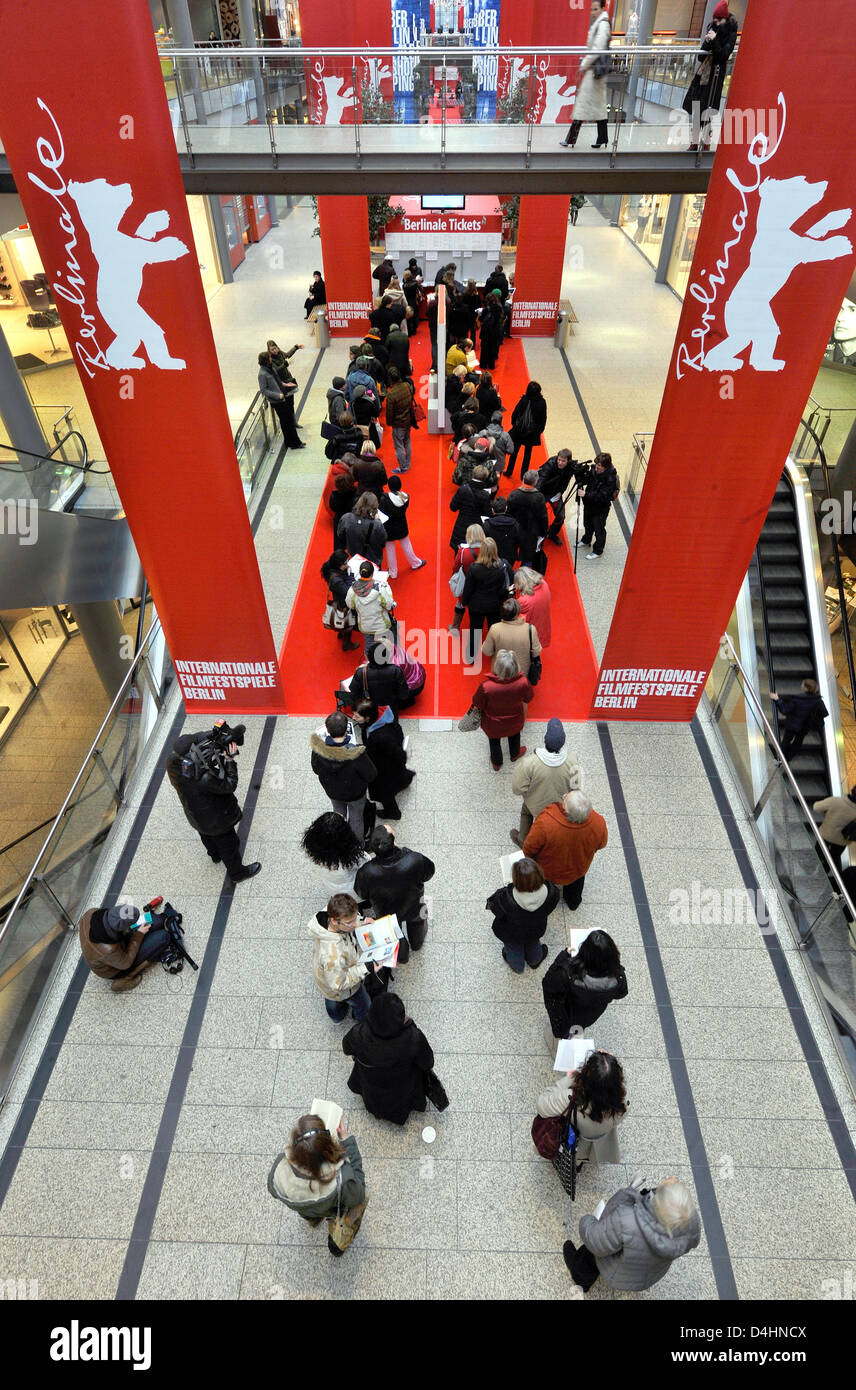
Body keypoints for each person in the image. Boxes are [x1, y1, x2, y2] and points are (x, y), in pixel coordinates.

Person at [564, 1176, 700, 1292]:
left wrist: (587, 1220)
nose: (670, 1179)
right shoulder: (692, 1221)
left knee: (589, 1254)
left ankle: (581, 1279)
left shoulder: (627, 1220)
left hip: (616, 1271)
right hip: (646, 1276)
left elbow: (595, 1240)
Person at [166, 722, 261, 885]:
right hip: (217, 820)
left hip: (196, 815)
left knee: (206, 837)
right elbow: (229, 785)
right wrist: (229, 760)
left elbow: (197, 738)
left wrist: (217, 734)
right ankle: (237, 873)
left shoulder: (173, 763)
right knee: (230, 846)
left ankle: (215, 855)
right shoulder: (203, 777)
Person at [268, 1113, 367, 1257]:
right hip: (332, 1206)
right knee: (362, 1200)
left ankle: (313, 1219)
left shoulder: (278, 1170)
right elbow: (358, 1195)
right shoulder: (343, 1179)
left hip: (306, 1207)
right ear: (327, 1148)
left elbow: (272, 1191)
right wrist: (347, 1142)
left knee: (310, 1210)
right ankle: (336, 1245)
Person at [343, 992, 435, 1125]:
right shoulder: (413, 1038)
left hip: (371, 1083)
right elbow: (427, 1062)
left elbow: (347, 1048)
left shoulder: (360, 1033)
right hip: (402, 1086)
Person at [355, 824, 435, 959]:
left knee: (394, 934)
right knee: (417, 923)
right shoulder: (414, 859)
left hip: (386, 912)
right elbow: (429, 873)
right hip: (415, 905)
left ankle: (402, 955)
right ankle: (417, 943)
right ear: (393, 842)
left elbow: (362, 894)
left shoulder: (366, 872)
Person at [536, 1049, 626, 1166]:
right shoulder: (624, 1102)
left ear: (585, 1078)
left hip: (575, 1141)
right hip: (601, 1140)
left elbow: (542, 1106)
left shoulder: (570, 1100)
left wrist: (570, 1078)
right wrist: (607, 1067)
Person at [524, 789, 608, 910]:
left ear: (566, 811)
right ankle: (573, 903)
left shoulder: (546, 822)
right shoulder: (599, 822)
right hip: (578, 868)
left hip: (548, 870)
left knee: (545, 888)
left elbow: (530, 846)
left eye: (564, 799)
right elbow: (602, 844)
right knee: (576, 884)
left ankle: (545, 903)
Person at [542, 928, 627, 1041]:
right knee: (579, 1026)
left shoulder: (567, 972)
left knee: (564, 1032)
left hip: (568, 1011)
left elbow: (548, 983)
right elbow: (621, 993)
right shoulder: (618, 976)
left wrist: (563, 957)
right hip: (591, 1015)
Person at [510, 718, 581, 847]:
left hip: (535, 805)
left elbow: (517, 789)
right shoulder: (573, 760)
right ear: (563, 742)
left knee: (526, 813)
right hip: (560, 808)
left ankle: (523, 840)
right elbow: (576, 788)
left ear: (544, 740)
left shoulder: (529, 763)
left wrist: (528, 792)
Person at [78, 900, 173, 993]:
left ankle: (138, 933)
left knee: (158, 920)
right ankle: (124, 981)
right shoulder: (109, 950)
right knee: (163, 937)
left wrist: (136, 928)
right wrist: (139, 934)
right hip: (116, 967)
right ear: (122, 930)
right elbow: (126, 962)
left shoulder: (92, 912)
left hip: (118, 942)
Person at [310, 712, 377, 841]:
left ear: (328, 730)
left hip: (333, 792)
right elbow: (371, 774)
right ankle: (356, 849)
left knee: (338, 815)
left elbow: (316, 769)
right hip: (355, 794)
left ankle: (338, 843)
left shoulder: (318, 751)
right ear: (346, 729)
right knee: (356, 819)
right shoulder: (356, 753)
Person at [486, 856, 559, 973]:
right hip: (536, 928)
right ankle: (535, 961)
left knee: (513, 949)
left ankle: (518, 968)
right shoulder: (552, 891)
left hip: (512, 933)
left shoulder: (506, 897)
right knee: (534, 943)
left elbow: (494, 907)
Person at [682, 1, 738, 151]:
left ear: (725, 19)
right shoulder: (712, 27)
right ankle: (694, 141)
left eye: (719, 20)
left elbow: (723, 56)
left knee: (706, 110)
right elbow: (701, 57)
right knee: (695, 107)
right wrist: (707, 42)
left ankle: (705, 141)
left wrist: (714, 40)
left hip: (715, 77)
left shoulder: (731, 32)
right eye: (715, 20)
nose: (717, 23)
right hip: (703, 75)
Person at [560, 0, 612, 150]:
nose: (592, 12)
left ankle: (570, 139)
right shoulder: (602, 22)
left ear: (603, 8)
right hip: (596, 72)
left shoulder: (602, 24)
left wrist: (584, 64)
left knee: (583, 105)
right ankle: (602, 138)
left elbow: (598, 47)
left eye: (595, 9)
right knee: (598, 107)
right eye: (592, 9)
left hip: (594, 71)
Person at [353, 698, 414, 819]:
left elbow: (397, 754)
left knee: (384, 793)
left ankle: (392, 813)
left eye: (357, 716)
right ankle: (405, 779)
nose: (353, 718)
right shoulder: (385, 719)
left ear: (368, 718)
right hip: (389, 761)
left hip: (384, 769)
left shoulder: (380, 736)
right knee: (398, 775)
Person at [473, 649, 534, 770]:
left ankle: (497, 762)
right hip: (515, 719)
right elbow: (528, 698)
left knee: (494, 741)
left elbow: (477, 702)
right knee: (515, 735)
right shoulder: (523, 682)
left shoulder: (487, 687)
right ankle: (515, 754)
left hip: (492, 722)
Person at [460, 536, 513, 665]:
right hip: (495, 605)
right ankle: (495, 653)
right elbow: (510, 581)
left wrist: (465, 602)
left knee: (475, 630)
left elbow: (468, 589)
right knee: (493, 629)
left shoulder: (474, 568)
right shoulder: (502, 566)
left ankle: (471, 656)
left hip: (476, 606)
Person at [301, 812, 369, 898]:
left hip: (333, 889)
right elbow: (366, 866)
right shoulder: (353, 857)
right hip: (354, 891)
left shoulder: (314, 852)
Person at [346, 638, 413, 714]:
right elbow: (403, 694)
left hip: (370, 707)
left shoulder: (361, 672)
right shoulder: (396, 670)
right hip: (391, 706)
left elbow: (354, 693)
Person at [482, 597, 542, 681]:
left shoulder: (495, 629)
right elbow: (536, 652)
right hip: (522, 672)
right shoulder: (530, 629)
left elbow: (487, 652)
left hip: (500, 670)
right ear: (518, 612)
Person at [258, 346, 304, 449]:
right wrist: (277, 395)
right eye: (269, 358)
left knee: (287, 422)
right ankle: (295, 443)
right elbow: (264, 390)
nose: (271, 359)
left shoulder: (271, 368)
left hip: (283, 397)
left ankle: (290, 442)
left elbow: (278, 380)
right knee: (287, 422)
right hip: (277, 401)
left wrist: (286, 385)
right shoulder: (262, 374)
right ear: (266, 360)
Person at [771, 679, 829, 760]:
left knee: (786, 740)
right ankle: (788, 757)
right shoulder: (818, 700)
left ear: (805, 688)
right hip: (805, 726)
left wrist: (777, 700)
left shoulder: (797, 699)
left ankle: (780, 757)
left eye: (802, 684)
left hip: (792, 725)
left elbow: (785, 710)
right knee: (798, 742)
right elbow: (825, 713)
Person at [381, 474, 426, 578]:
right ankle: (415, 563)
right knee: (406, 544)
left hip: (389, 527)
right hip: (401, 525)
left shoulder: (385, 499)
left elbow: (382, 512)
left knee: (390, 549)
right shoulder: (406, 497)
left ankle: (393, 572)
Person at [580, 453, 620, 558]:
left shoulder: (611, 479)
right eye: (596, 465)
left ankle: (598, 550)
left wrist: (586, 495)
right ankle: (586, 540)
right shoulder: (594, 470)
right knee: (587, 524)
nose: (596, 468)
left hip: (601, 509)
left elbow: (602, 496)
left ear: (606, 467)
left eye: (599, 467)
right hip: (589, 504)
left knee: (599, 530)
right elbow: (586, 480)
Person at [346, 558, 396, 643]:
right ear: (372, 574)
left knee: (369, 647)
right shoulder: (380, 588)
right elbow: (389, 604)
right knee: (384, 647)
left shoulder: (352, 590)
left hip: (365, 626)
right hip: (381, 625)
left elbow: (350, 605)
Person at [507, 471, 549, 567]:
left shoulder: (514, 494)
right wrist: (543, 533)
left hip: (514, 529)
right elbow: (543, 518)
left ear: (523, 479)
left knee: (511, 553)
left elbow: (508, 514)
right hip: (531, 532)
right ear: (535, 482)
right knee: (528, 557)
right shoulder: (539, 497)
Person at [321, 549, 359, 653]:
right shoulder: (336, 580)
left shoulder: (331, 570)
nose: (347, 564)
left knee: (343, 621)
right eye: (345, 563)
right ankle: (347, 643)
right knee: (349, 623)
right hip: (343, 603)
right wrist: (351, 576)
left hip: (338, 600)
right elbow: (347, 591)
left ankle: (341, 632)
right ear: (339, 565)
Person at [507, 383, 548, 479]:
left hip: (519, 430)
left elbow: (515, 412)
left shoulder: (524, 399)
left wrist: (514, 425)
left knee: (515, 451)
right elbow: (543, 418)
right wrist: (540, 430)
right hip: (532, 432)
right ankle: (523, 475)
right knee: (527, 453)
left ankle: (509, 471)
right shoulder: (542, 402)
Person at [449, 468, 494, 553]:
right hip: (477, 529)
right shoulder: (485, 495)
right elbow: (487, 514)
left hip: (461, 526)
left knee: (459, 553)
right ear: (485, 478)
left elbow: (453, 507)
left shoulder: (463, 489)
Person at [537, 449, 576, 544]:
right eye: (559, 460)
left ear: (568, 461)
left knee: (561, 516)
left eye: (563, 461)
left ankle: (552, 534)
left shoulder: (570, 467)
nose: (560, 462)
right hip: (543, 492)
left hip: (556, 493)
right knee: (540, 515)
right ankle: (539, 534)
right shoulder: (550, 465)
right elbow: (541, 481)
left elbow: (565, 483)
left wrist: (560, 493)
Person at [338, 492, 388, 567]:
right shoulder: (377, 524)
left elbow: (340, 535)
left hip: (353, 556)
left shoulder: (346, 518)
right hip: (372, 559)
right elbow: (383, 540)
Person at [813, 785, 856, 866]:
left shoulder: (835, 801)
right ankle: (824, 872)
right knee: (833, 859)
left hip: (826, 835)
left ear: (852, 790)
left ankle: (810, 868)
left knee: (817, 853)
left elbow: (816, 807)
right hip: (842, 841)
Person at [384, 365, 415, 474]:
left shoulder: (391, 394)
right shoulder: (407, 385)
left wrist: (389, 422)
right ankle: (408, 462)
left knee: (399, 445)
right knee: (407, 440)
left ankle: (403, 467)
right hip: (408, 419)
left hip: (398, 423)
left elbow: (389, 412)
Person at [514, 566, 552, 649]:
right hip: (542, 623)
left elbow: (518, 618)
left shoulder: (524, 600)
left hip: (530, 631)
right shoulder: (544, 584)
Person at [484, 495, 521, 569]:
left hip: (492, 556)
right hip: (510, 557)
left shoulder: (486, 525)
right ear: (506, 508)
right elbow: (520, 541)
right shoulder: (515, 525)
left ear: (492, 510)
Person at [479, 289, 505, 370]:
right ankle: (491, 365)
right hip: (495, 331)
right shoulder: (498, 308)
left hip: (486, 331)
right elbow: (500, 319)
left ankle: (483, 364)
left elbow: (481, 319)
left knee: (484, 348)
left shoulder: (486, 309)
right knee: (492, 348)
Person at [484, 410, 514, 474]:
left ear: (492, 419)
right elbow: (510, 450)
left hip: (484, 461)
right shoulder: (505, 435)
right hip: (499, 462)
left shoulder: (484, 432)